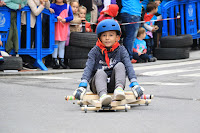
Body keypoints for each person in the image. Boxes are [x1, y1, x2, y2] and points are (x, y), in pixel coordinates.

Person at [73, 19, 145, 106]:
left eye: (111, 35)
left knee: (120, 65)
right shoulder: (94, 51)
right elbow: (88, 68)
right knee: (100, 72)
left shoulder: (121, 50)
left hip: (114, 84)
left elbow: (128, 66)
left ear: (117, 37)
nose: (107, 38)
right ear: (99, 37)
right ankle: (103, 96)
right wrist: (82, 86)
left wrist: (134, 84)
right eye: (104, 35)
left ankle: (119, 90)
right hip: (97, 84)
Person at [20, 0, 54, 69]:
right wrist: (42, 5)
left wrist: (46, 1)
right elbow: (35, 12)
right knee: (27, 41)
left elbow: (47, 7)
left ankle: (32, 61)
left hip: (37, 23)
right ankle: (25, 61)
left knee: (35, 41)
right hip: (28, 23)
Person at [50, 0, 73, 69]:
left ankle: (61, 60)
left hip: (63, 28)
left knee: (62, 45)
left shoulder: (68, 6)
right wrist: (56, 16)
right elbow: (49, 14)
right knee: (55, 44)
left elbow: (71, 17)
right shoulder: (52, 6)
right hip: (55, 28)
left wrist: (66, 19)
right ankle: (54, 60)